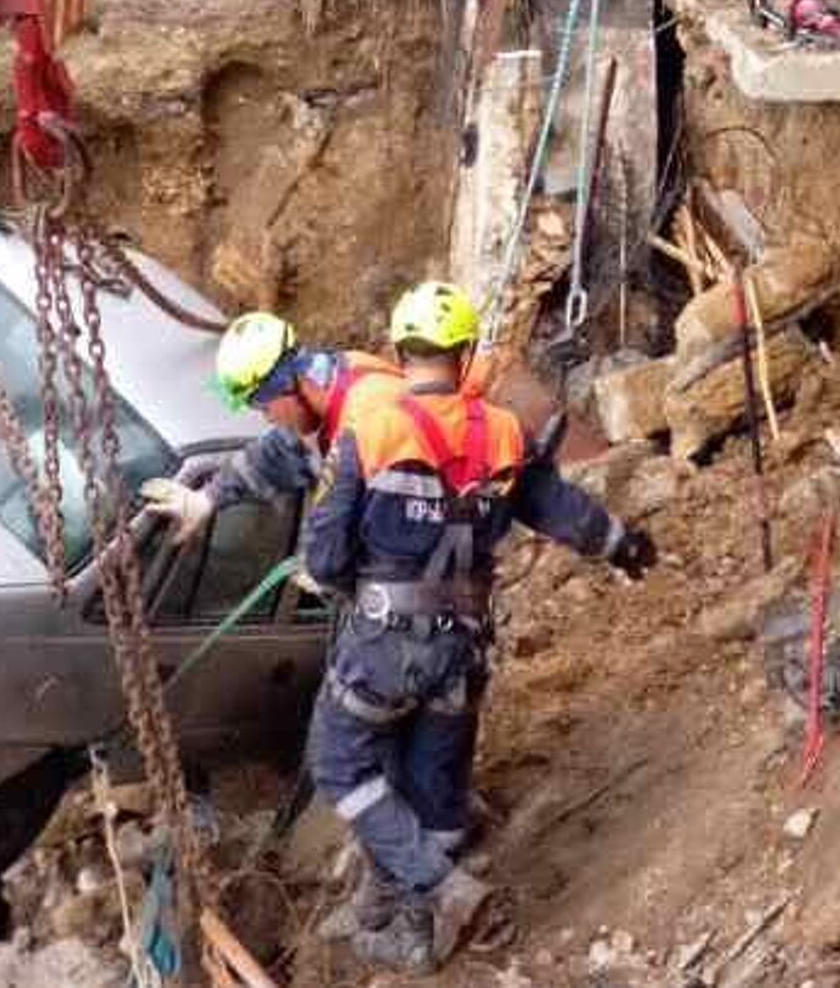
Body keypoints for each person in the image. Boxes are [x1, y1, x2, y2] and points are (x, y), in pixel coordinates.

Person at [303, 281, 657, 969]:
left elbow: (324, 555)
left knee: (341, 765)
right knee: (436, 794)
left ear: (401, 355)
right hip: (460, 646)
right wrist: (624, 544)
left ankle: (442, 889)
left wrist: (358, 591)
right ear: (462, 356)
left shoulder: (369, 432)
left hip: (382, 640)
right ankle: (409, 928)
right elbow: (563, 511)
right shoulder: (503, 433)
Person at [140, 312, 407, 540]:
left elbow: (403, 529)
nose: (266, 419)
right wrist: (207, 498)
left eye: (263, 407)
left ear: (287, 387)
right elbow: (279, 450)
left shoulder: (369, 424)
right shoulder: (330, 379)